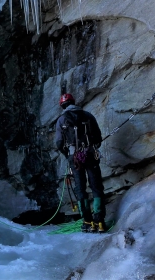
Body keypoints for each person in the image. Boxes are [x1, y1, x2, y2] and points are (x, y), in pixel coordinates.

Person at [55, 93, 106, 233]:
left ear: (62, 106)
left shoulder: (61, 120)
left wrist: (68, 154)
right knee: (96, 186)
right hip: (90, 155)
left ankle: (87, 221)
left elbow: (59, 142)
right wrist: (93, 147)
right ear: (74, 102)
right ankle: (99, 221)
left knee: (80, 188)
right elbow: (98, 137)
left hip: (74, 158)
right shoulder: (88, 116)